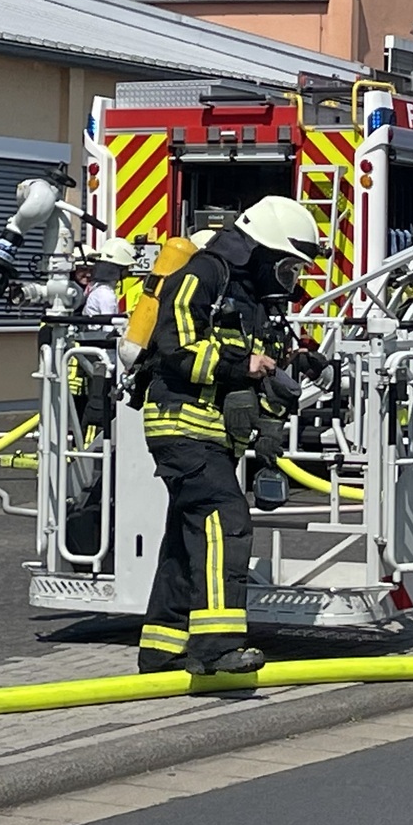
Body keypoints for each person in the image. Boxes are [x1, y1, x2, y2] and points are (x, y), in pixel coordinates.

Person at [136, 196, 323, 676]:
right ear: (262, 250)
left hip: (209, 434)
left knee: (185, 538)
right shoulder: (204, 274)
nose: (289, 279)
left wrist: (281, 387)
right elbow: (176, 346)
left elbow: (255, 370)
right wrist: (244, 364)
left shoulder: (251, 299)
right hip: (181, 425)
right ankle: (216, 646)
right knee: (225, 521)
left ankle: (162, 647)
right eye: (286, 266)